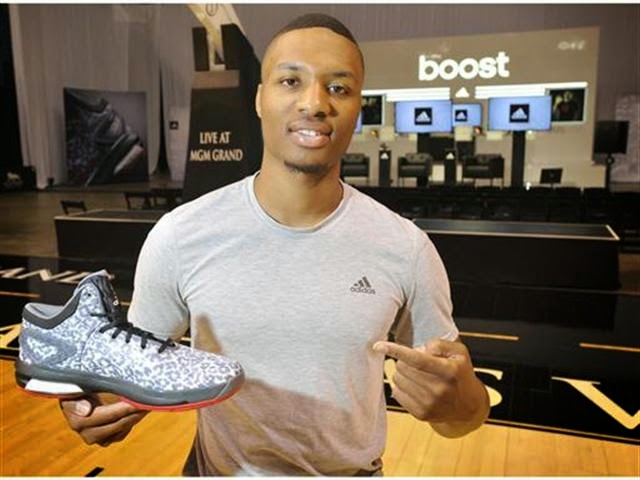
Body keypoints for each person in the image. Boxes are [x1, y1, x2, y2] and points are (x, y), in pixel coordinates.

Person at [59, 13, 489, 476]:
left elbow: (461, 418)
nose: (315, 103)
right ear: (260, 99)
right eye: (291, 81)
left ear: (358, 109)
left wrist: (462, 402)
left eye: (339, 87)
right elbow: (130, 378)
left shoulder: (406, 248)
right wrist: (89, 402)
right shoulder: (181, 235)